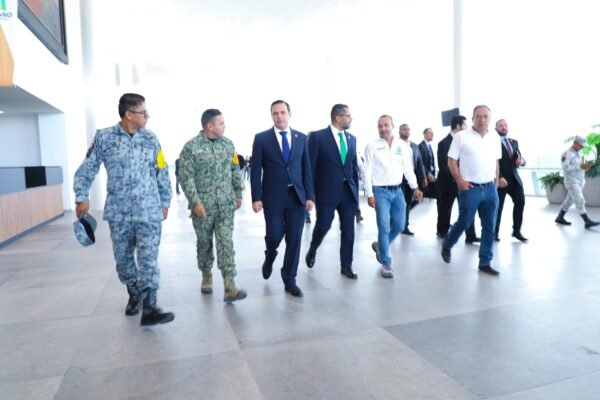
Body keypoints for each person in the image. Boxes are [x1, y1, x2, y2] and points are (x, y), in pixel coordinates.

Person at [73, 93, 174, 326]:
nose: (147, 116)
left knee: (149, 260)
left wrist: (165, 201)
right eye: (143, 112)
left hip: (149, 211)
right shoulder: (104, 138)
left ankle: (150, 306)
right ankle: (134, 291)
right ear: (129, 114)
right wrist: (81, 197)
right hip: (119, 213)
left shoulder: (151, 139)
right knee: (123, 260)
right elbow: (87, 168)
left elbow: (161, 170)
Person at [178, 109, 247, 302]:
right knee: (204, 243)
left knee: (226, 242)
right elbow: (186, 178)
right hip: (203, 207)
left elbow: (235, 170)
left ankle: (229, 285)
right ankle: (206, 274)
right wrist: (195, 202)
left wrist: (238, 193)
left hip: (225, 204)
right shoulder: (191, 147)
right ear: (210, 125)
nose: (225, 126)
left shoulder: (228, 145)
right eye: (221, 123)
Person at [250, 100, 314, 297]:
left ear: (289, 114)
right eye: (275, 113)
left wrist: (309, 196)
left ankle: (289, 279)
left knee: (294, 238)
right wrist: (256, 197)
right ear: (271, 116)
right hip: (273, 198)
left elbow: (306, 169)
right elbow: (256, 171)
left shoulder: (301, 138)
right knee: (275, 235)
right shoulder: (262, 139)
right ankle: (270, 255)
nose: (279, 116)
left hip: (296, 197)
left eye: (282, 112)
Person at [440, 105, 502, 276]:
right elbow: (451, 161)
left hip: (490, 188)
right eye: (478, 116)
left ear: (490, 119)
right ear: (473, 118)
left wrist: (496, 181)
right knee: (465, 221)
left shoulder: (495, 137)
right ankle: (447, 243)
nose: (482, 120)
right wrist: (460, 181)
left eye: (485, 116)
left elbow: (496, 161)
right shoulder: (461, 136)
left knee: (489, 226)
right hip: (470, 188)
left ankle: (485, 262)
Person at [364, 115, 423, 278]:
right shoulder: (372, 146)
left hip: (398, 191)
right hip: (380, 191)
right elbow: (366, 171)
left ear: (392, 126)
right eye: (380, 126)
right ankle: (386, 262)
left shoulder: (402, 146)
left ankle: (380, 246)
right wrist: (369, 194)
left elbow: (407, 168)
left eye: (386, 125)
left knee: (400, 225)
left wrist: (415, 187)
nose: (383, 128)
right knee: (383, 226)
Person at [305, 104, 360, 279]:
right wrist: (310, 194)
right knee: (324, 225)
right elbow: (310, 167)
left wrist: (356, 192)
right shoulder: (318, 137)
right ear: (338, 117)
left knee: (349, 231)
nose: (351, 119)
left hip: (348, 193)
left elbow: (353, 167)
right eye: (348, 116)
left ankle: (346, 265)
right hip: (326, 192)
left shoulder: (352, 139)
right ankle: (313, 248)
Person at [436, 115, 479, 243]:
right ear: (458, 126)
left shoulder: (465, 141)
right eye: (465, 125)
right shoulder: (443, 143)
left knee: (468, 209)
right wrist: (457, 178)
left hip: (465, 183)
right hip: (448, 184)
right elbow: (444, 165)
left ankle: (470, 235)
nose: (467, 127)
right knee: (445, 210)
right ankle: (442, 232)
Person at [555, 136, 600, 228]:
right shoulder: (566, 154)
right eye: (581, 145)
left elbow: (583, 163)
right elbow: (565, 168)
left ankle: (560, 217)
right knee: (580, 199)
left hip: (581, 180)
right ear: (575, 143)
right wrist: (580, 167)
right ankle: (587, 221)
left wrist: (587, 166)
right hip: (571, 181)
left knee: (570, 200)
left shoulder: (581, 152)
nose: (582, 147)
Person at [495, 119, 527, 241]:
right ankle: (494, 233)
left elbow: (520, 158)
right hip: (500, 181)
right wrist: (499, 177)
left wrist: (522, 162)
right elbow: (491, 162)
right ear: (496, 128)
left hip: (514, 180)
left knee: (520, 202)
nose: (503, 127)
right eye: (500, 126)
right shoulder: (492, 142)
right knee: (498, 207)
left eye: (505, 125)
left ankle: (516, 231)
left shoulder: (514, 142)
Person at [398, 124, 426, 235]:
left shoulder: (414, 146)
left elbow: (419, 162)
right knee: (399, 202)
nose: (406, 131)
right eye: (404, 129)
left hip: (411, 178)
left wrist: (423, 177)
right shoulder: (395, 144)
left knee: (408, 202)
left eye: (408, 129)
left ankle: (404, 226)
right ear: (399, 131)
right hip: (398, 178)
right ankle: (395, 223)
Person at [418, 128, 439, 199]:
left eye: (432, 133)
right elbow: (420, 163)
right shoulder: (420, 146)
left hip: (432, 175)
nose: (432, 135)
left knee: (434, 195)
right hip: (425, 177)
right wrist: (427, 173)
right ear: (425, 134)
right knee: (426, 197)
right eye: (430, 133)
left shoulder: (429, 146)